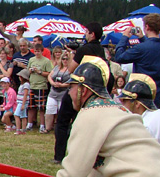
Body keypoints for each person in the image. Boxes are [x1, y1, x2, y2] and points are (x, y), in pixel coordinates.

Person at [53, 22, 107, 163]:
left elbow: (71, 69)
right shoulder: (101, 50)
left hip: (78, 89)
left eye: (87, 32)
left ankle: (59, 156)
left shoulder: (84, 49)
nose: (85, 34)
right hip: (93, 92)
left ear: (92, 34)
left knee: (62, 123)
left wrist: (71, 54)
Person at [112, 13, 160, 108]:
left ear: (147, 27)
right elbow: (151, 49)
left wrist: (124, 37)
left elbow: (119, 57)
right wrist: (142, 38)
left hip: (141, 92)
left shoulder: (140, 48)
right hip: (157, 91)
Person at [27, 45, 53, 133]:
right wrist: (30, 70)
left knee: (41, 108)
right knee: (31, 106)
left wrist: (40, 72)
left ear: (42, 51)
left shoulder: (46, 61)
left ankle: (42, 125)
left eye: (38, 51)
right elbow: (27, 71)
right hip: (32, 85)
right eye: (35, 51)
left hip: (41, 86)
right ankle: (29, 124)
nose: (37, 53)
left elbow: (50, 73)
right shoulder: (31, 60)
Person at [45, 50, 71, 133]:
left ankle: (61, 128)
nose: (65, 61)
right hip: (53, 91)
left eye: (67, 59)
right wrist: (52, 83)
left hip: (64, 92)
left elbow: (72, 80)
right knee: (49, 109)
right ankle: (47, 128)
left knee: (62, 111)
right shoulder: (57, 67)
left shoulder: (71, 69)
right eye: (63, 59)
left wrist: (62, 85)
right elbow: (49, 76)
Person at [13, 69, 31, 135]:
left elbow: (25, 94)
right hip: (20, 102)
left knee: (16, 115)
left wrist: (23, 104)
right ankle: (23, 130)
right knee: (23, 116)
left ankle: (18, 129)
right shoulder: (22, 84)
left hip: (22, 103)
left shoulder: (26, 85)